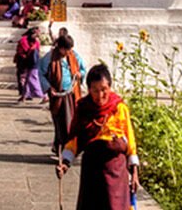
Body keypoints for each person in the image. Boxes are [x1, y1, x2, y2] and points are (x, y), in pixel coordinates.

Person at [56, 64, 139, 210]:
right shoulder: (83, 108)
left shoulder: (119, 108)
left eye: (104, 90)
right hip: (92, 169)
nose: (100, 95)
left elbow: (130, 140)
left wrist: (135, 173)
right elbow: (75, 139)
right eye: (95, 90)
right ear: (88, 90)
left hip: (116, 170)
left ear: (110, 87)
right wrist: (65, 163)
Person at [41, 34, 85, 155]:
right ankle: (62, 148)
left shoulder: (74, 56)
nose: (68, 52)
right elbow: (41, 73)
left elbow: (82, 69)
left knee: (71, 122)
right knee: (61, 123)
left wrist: (80, 74)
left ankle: (66, 148)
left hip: (72, 94)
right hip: (58, 96)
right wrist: (49, 88)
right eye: (66, 49)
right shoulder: (49, 58)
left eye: (70, 49)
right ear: (60, 48)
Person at [15, 26, 43, 101]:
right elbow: (25, 50)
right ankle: (24, 95)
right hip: (23, 61)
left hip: (32, 62)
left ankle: (44, 96)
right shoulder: (24, 40)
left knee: (30, 79)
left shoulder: (36, 41)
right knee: (25, 78)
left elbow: (36, 51)